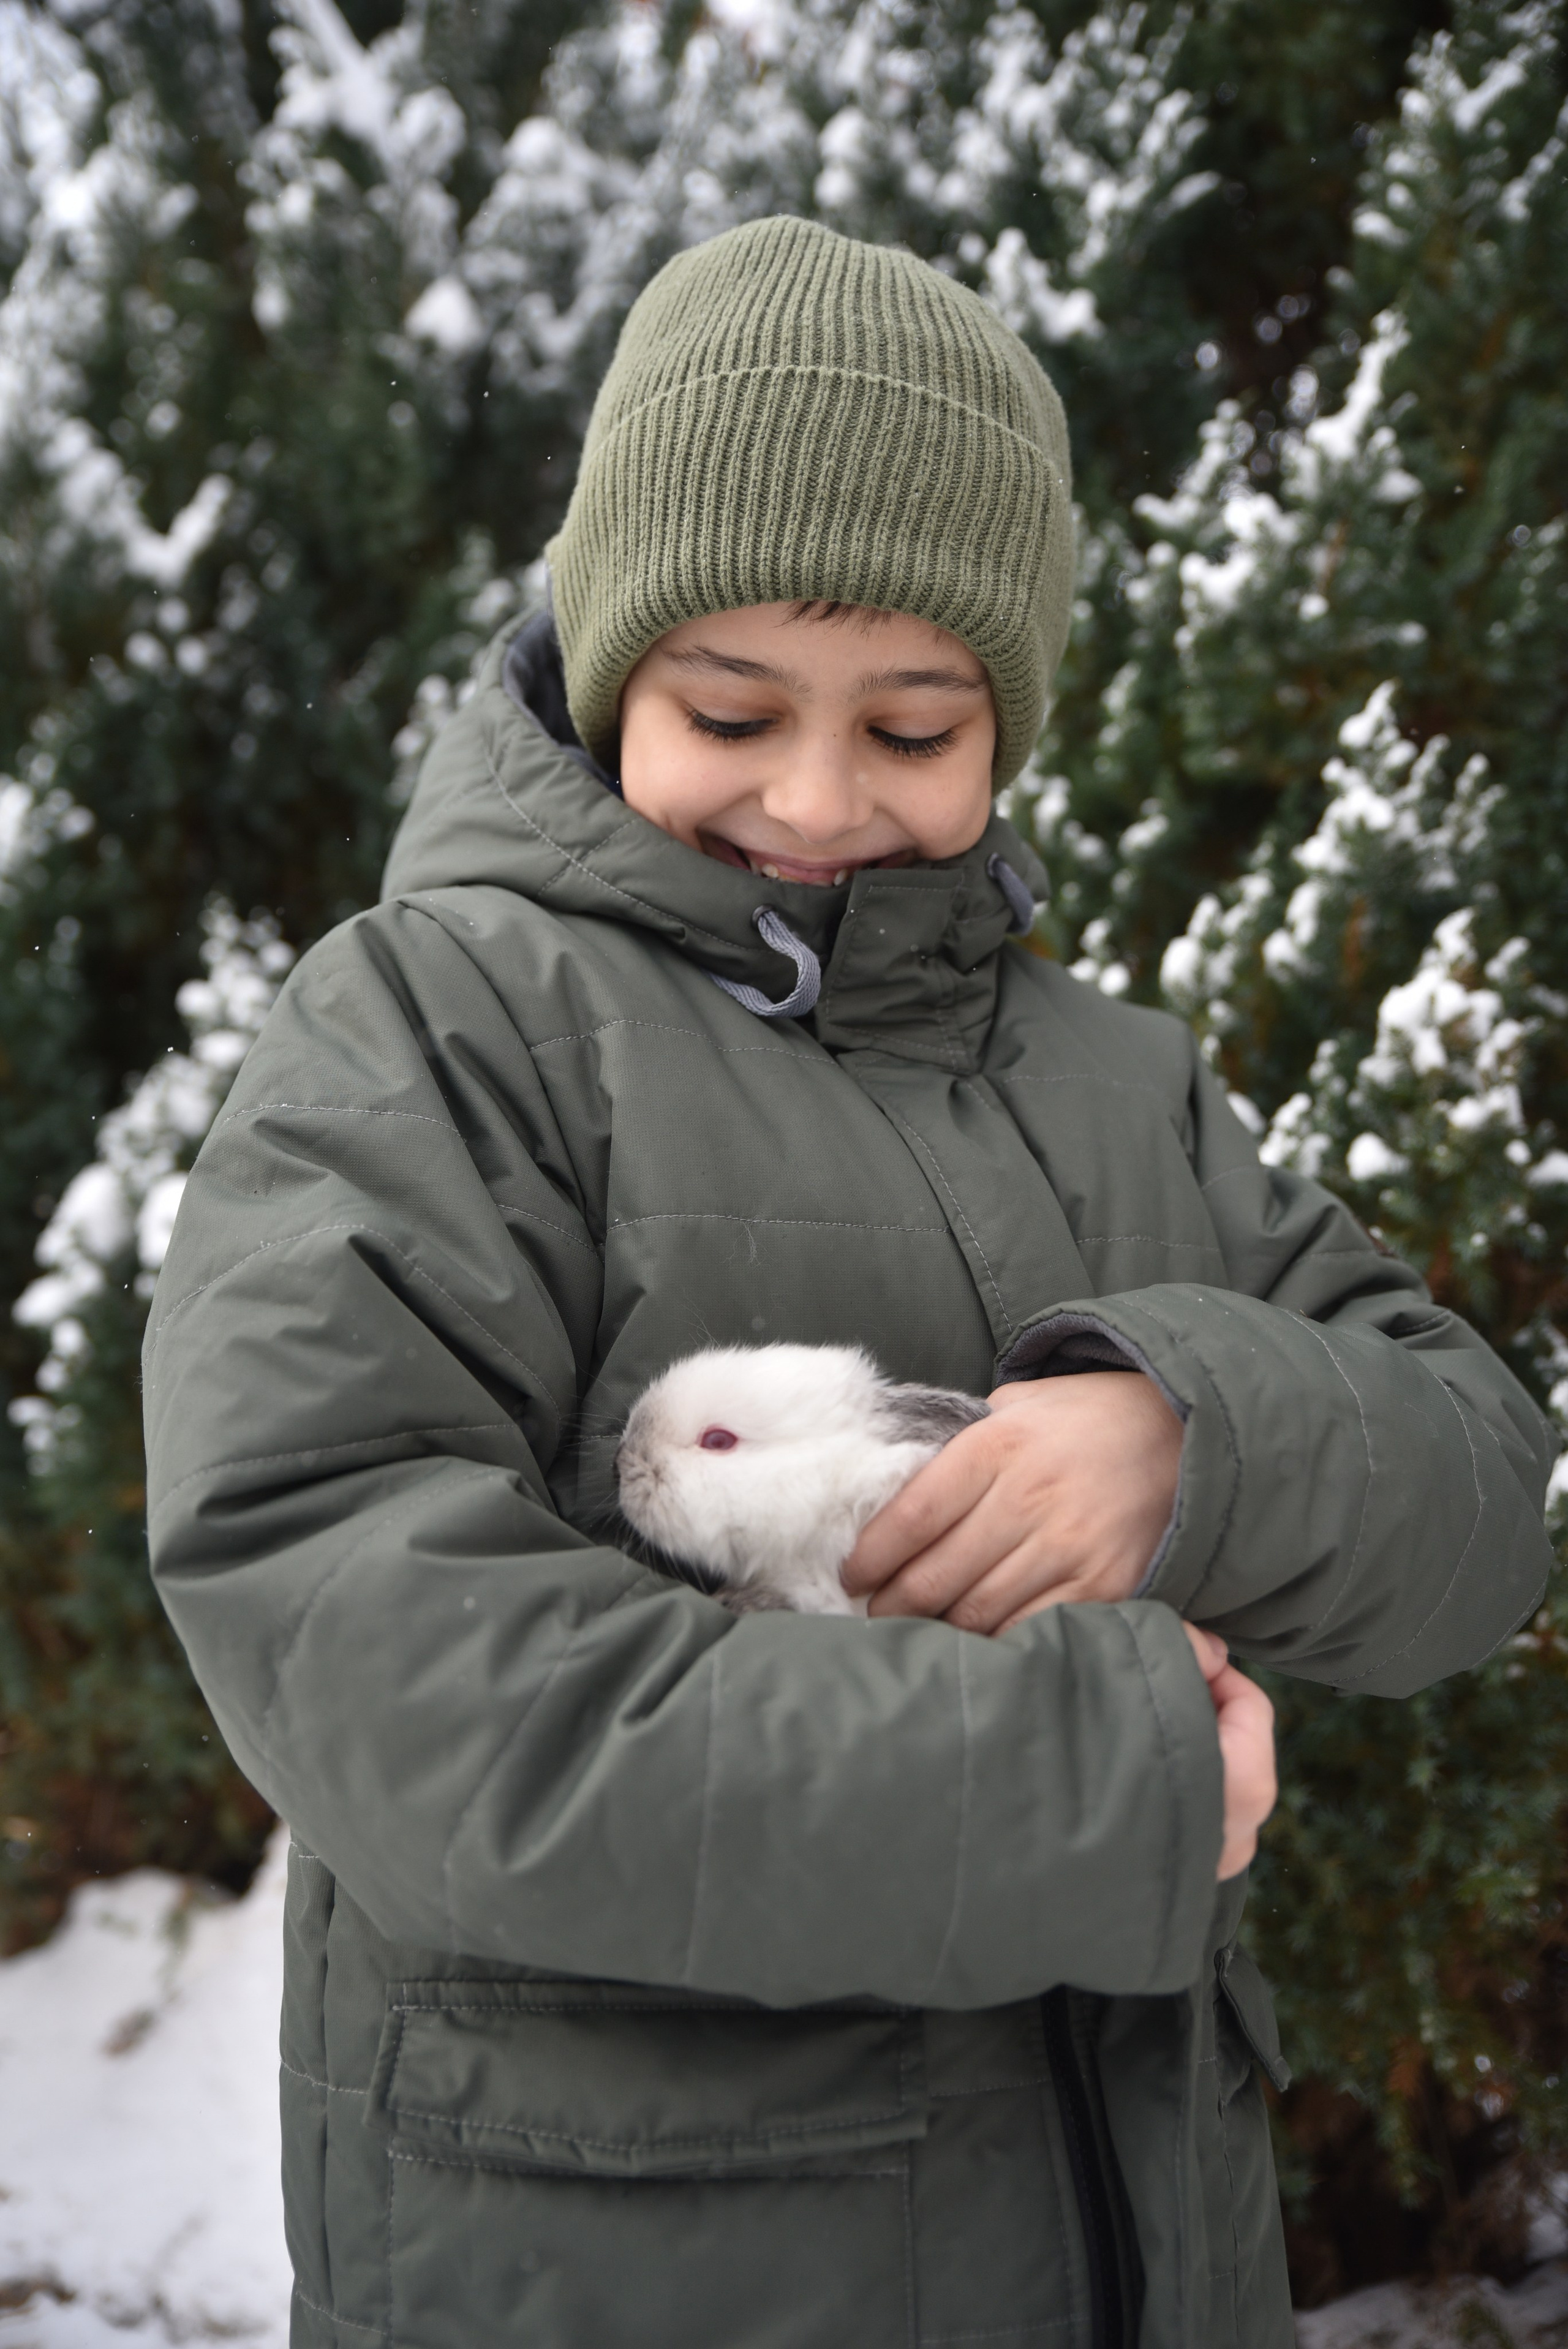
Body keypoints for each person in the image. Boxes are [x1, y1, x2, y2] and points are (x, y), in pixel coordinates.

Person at [143, 217, 1554, 2349]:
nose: (815, 800)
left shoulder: (1118, 1092)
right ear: (613, 660)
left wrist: (1190, 1432)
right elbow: (363, 1636)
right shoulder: (439, 1032)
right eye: (731, 708)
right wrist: (1098, 1774)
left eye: (914, 727)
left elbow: (1479, 1482)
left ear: (1010, 725)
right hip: (640, 2267)